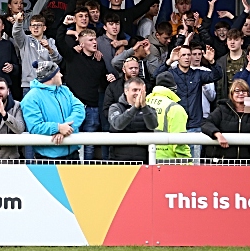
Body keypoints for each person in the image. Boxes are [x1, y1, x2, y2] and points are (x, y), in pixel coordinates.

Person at [57, 25, 114, 160]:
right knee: (70, 140)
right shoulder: (72, 56)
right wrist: (64, 24)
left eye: (95, 39)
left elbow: (103, 84)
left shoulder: (99, 61)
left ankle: (86, 172)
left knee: (89, 144)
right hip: (73, 108)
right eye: (90, 40)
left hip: (92, 107)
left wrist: (109, 79)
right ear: (81, 44)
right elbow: (59, 41)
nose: (94, 42)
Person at [156, 44, 223, 159]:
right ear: (178, 57)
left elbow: (216, 75)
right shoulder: (171, 74)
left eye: (189, 55)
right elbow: (155, 77)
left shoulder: (198, 74)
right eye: (183, 55)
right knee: (176, 164)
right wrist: (169, 60)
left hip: (195, 126)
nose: (187, 57)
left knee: (194, 164)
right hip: (176, 126)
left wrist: (212, 62)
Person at [22, 60, 85, 161]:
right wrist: (58, 128)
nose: (61, 75)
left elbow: (79, 109)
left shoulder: (65, 90)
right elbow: (35, 126)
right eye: (58, 72)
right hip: (47, 158)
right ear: (51, 76)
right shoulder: (31, 98)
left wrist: (65, 128)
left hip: (72, 155)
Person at [202, 79, 250, 162]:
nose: (241, 94)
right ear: (231, 94)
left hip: (249, 161)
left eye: (244, 91)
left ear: (248, 94)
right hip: (225, 161)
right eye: (237, 91)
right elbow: (206, 123)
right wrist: (217, 134)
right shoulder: (222, 109)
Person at [108, 77, 158, 162]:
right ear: (126, 91)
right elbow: (118, 125)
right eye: (134, 90)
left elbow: (152, 126)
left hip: (144, 161)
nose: (138, 93)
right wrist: (134, 108)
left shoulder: (149, 109)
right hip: (119, 161)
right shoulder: (115, 107)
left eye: (140, 90)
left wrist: (144, 107)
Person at [12, 13, 62, 97]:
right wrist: (19, 22)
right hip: (29, 84)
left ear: (44, 28)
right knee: (30, 110)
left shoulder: (50, 41)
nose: (35, 27)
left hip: (47, 84)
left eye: (39, 25)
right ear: (30, 28)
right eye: (33, 25)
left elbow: (57, 60)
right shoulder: (25, 40)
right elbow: (16, 33)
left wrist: (49, 48)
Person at [145, 72, 191, 161]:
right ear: (174, 88)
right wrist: (186, 162)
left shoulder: (144, 103)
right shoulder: (175, 108)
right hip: (168, 160)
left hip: (145, 160)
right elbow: (179, 142)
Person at [215, 29, 247, 101]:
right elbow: (218, 86)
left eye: (236, 39)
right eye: (229, 39)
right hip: (227, 101)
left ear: (242, 41)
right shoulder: (220, 62)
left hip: (245, 100)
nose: (232, 42)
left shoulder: (248, 59)